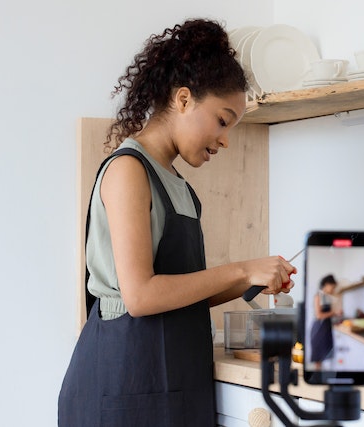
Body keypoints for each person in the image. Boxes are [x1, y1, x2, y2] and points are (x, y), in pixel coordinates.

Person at [58, 18, 296, 427]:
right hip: (122, 386)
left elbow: (180, 296)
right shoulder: (129, 170)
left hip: (172, 386)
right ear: (183, 99)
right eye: (222, 121)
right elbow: (141, 297)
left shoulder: (181, 187)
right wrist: (241, 268)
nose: (225, 140)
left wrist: (249, 279)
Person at [310, 274, 341, 369]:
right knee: (319, 358)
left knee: (327, 356)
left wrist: (335, 313)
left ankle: (325, 377)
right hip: (319, 330)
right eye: (333, 287)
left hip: (327, 329)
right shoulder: (318, 296)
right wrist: (334, 312)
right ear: (327, 284)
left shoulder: (327, 297)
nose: (333, 289)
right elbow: (319, 315)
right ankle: (318, 379)